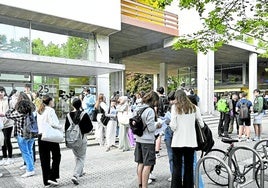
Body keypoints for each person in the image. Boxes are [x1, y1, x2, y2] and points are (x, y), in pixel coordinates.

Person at [169, 89, 204, 188]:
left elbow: (173, 126)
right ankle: (188, 186)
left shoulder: (175, 108)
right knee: (189, 167)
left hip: (177, 142)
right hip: (191, 141)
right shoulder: (194, 108)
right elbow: (201, 124)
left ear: (177, 97)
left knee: (177, 167)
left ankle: (176, 186)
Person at [3, 99, 35, 178]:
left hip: (22, 135)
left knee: (25, 153)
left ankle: (30, 170)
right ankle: (30, 166)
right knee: (30, 151)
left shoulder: (18, 114)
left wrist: (13, 108)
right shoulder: (31, 113)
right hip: (31, 135)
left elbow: (7, 115)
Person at [134, 91, 160, 188]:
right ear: (154, 100)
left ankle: (140, 185)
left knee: (140, 163)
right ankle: (145, 186)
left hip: (138, 139)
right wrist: (158, 124)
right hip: (148, 141)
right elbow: (151, 128)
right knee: (147, 165)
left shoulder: (138, 108)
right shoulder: (150, 111)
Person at [64, 98, 93, 185]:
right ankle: (75, 175)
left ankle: (80, 172)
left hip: (72, 139)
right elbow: (90, 127)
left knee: (77, 156)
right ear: (80, 105)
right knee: (81, 157)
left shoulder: (68, 115)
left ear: (72, 105)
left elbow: (66, 128)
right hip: (82, 138)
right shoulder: (84, 114)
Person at [37, 95, 62, 187]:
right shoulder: (50, 110)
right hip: (50, 136)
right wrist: (60, 127)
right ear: (50, 102)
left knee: (44, 159)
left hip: (41, 136)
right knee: (56, 156)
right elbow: (53, 123)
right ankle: (52, 176)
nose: (54, 102)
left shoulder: (39, 111)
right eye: (53, 101)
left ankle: (46, 181)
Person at [0, 86, 14, 166]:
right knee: (2, 141)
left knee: (7, 140)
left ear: (4, 92)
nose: (0, 93)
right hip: (0, 124)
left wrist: (6, 115)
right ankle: (4, 157)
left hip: (8, 123)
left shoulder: (9, 100)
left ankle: (10, 158)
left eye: (1, 92)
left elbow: (12, 110)